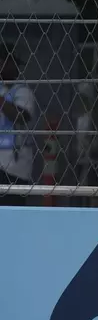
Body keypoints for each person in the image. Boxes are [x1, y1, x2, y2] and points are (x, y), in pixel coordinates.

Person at [0, 43, 37, 206]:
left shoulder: (22, 91)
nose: (16, 68)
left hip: (14, 167)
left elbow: (21, 116)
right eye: (12, 63)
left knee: (12, 210)